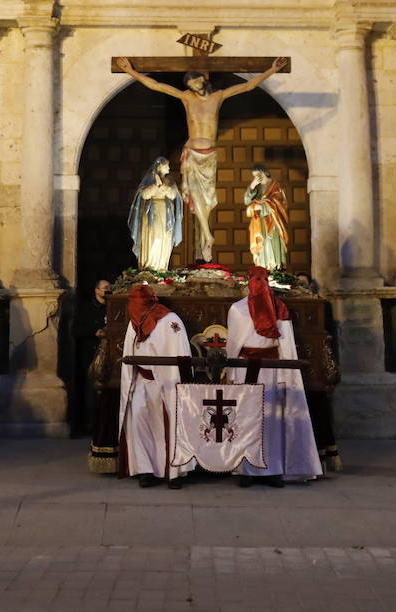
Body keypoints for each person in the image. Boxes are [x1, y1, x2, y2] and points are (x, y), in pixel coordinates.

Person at [116, 56, 287, 262]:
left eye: (196, 81)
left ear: (202, 79)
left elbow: (248, 86)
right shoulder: (187, 97)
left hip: (210, 154)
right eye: (190, 84)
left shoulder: (219, 96)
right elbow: (157, 86)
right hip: (192, 151)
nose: (194, 86)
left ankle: (206, 237)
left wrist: (272, 70)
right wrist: (131, 72)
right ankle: (207, 235)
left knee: (207, 197)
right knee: (195, 194)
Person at [225, 266, 322, 485]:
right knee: (246, 417)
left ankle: (273, 469)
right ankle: (246, 468)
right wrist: (232, 372)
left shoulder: (279, 309)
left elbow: (285, 344)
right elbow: (234, 344)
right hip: (245, 367)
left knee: (274, 419)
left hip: (271, 367)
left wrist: (286, 372)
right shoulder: (238, 310)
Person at [118, 284, 192, 487]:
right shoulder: (134, 323)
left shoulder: (170, 321)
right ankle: (145, 469)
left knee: (167, 424)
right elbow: (129, 353)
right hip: (142, 380)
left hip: (166, 382)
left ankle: (174, 470)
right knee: (139, 421)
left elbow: (180, 353)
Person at [68, 279, 110, 438]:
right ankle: (91, 424)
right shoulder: (86, 309)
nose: (108, 290)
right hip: (91, 355)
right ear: (97, 291)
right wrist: (95, 332)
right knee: (90, 391)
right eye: (105, 288)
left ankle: (106, 424)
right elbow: (77, 330)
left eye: (109, 287)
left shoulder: (112, 308)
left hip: (109, 355)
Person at [128, 157, 183, 271]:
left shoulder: (169, 180)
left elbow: (173, 195)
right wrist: (155, 186)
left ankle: (161, 266)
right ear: (160, 166)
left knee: (165, 239)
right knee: (154, 238)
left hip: (166, 213)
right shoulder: (150, 180)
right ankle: (150, 266)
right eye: (166, 165)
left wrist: (162, 186)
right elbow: (143, 195)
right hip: (151, 213)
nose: (168, 167)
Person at [244, 165, 289, 270]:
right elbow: (247, 201)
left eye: (258, 175)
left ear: (264, 173)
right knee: (262, 244)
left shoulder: (275, 186)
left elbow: (280, 203)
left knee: (272, 242)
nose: (257, 178)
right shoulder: (257, 187)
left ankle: (275, 267)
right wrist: (252, 187)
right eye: (255, 177)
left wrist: (263, 206)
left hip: (273, 221)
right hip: (259, 222)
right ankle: (263, 268)